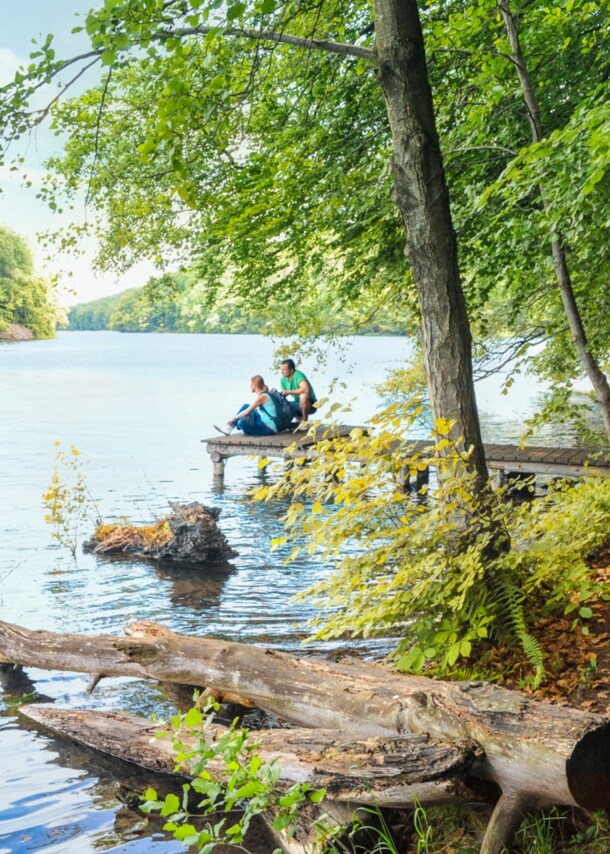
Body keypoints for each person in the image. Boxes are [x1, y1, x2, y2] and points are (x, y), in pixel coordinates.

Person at [279, 358, 317, 423]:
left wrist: (289, 392)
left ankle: (305, 422)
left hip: (311, 405)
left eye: (284, 370)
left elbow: (306, 389)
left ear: (291, 370)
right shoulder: (283, 380)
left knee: (303, 396)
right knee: (279, 402)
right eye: (281, 370)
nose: (282, 372)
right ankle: (290, 422)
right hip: (298, 404)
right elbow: (284, 395)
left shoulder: (298, 375)